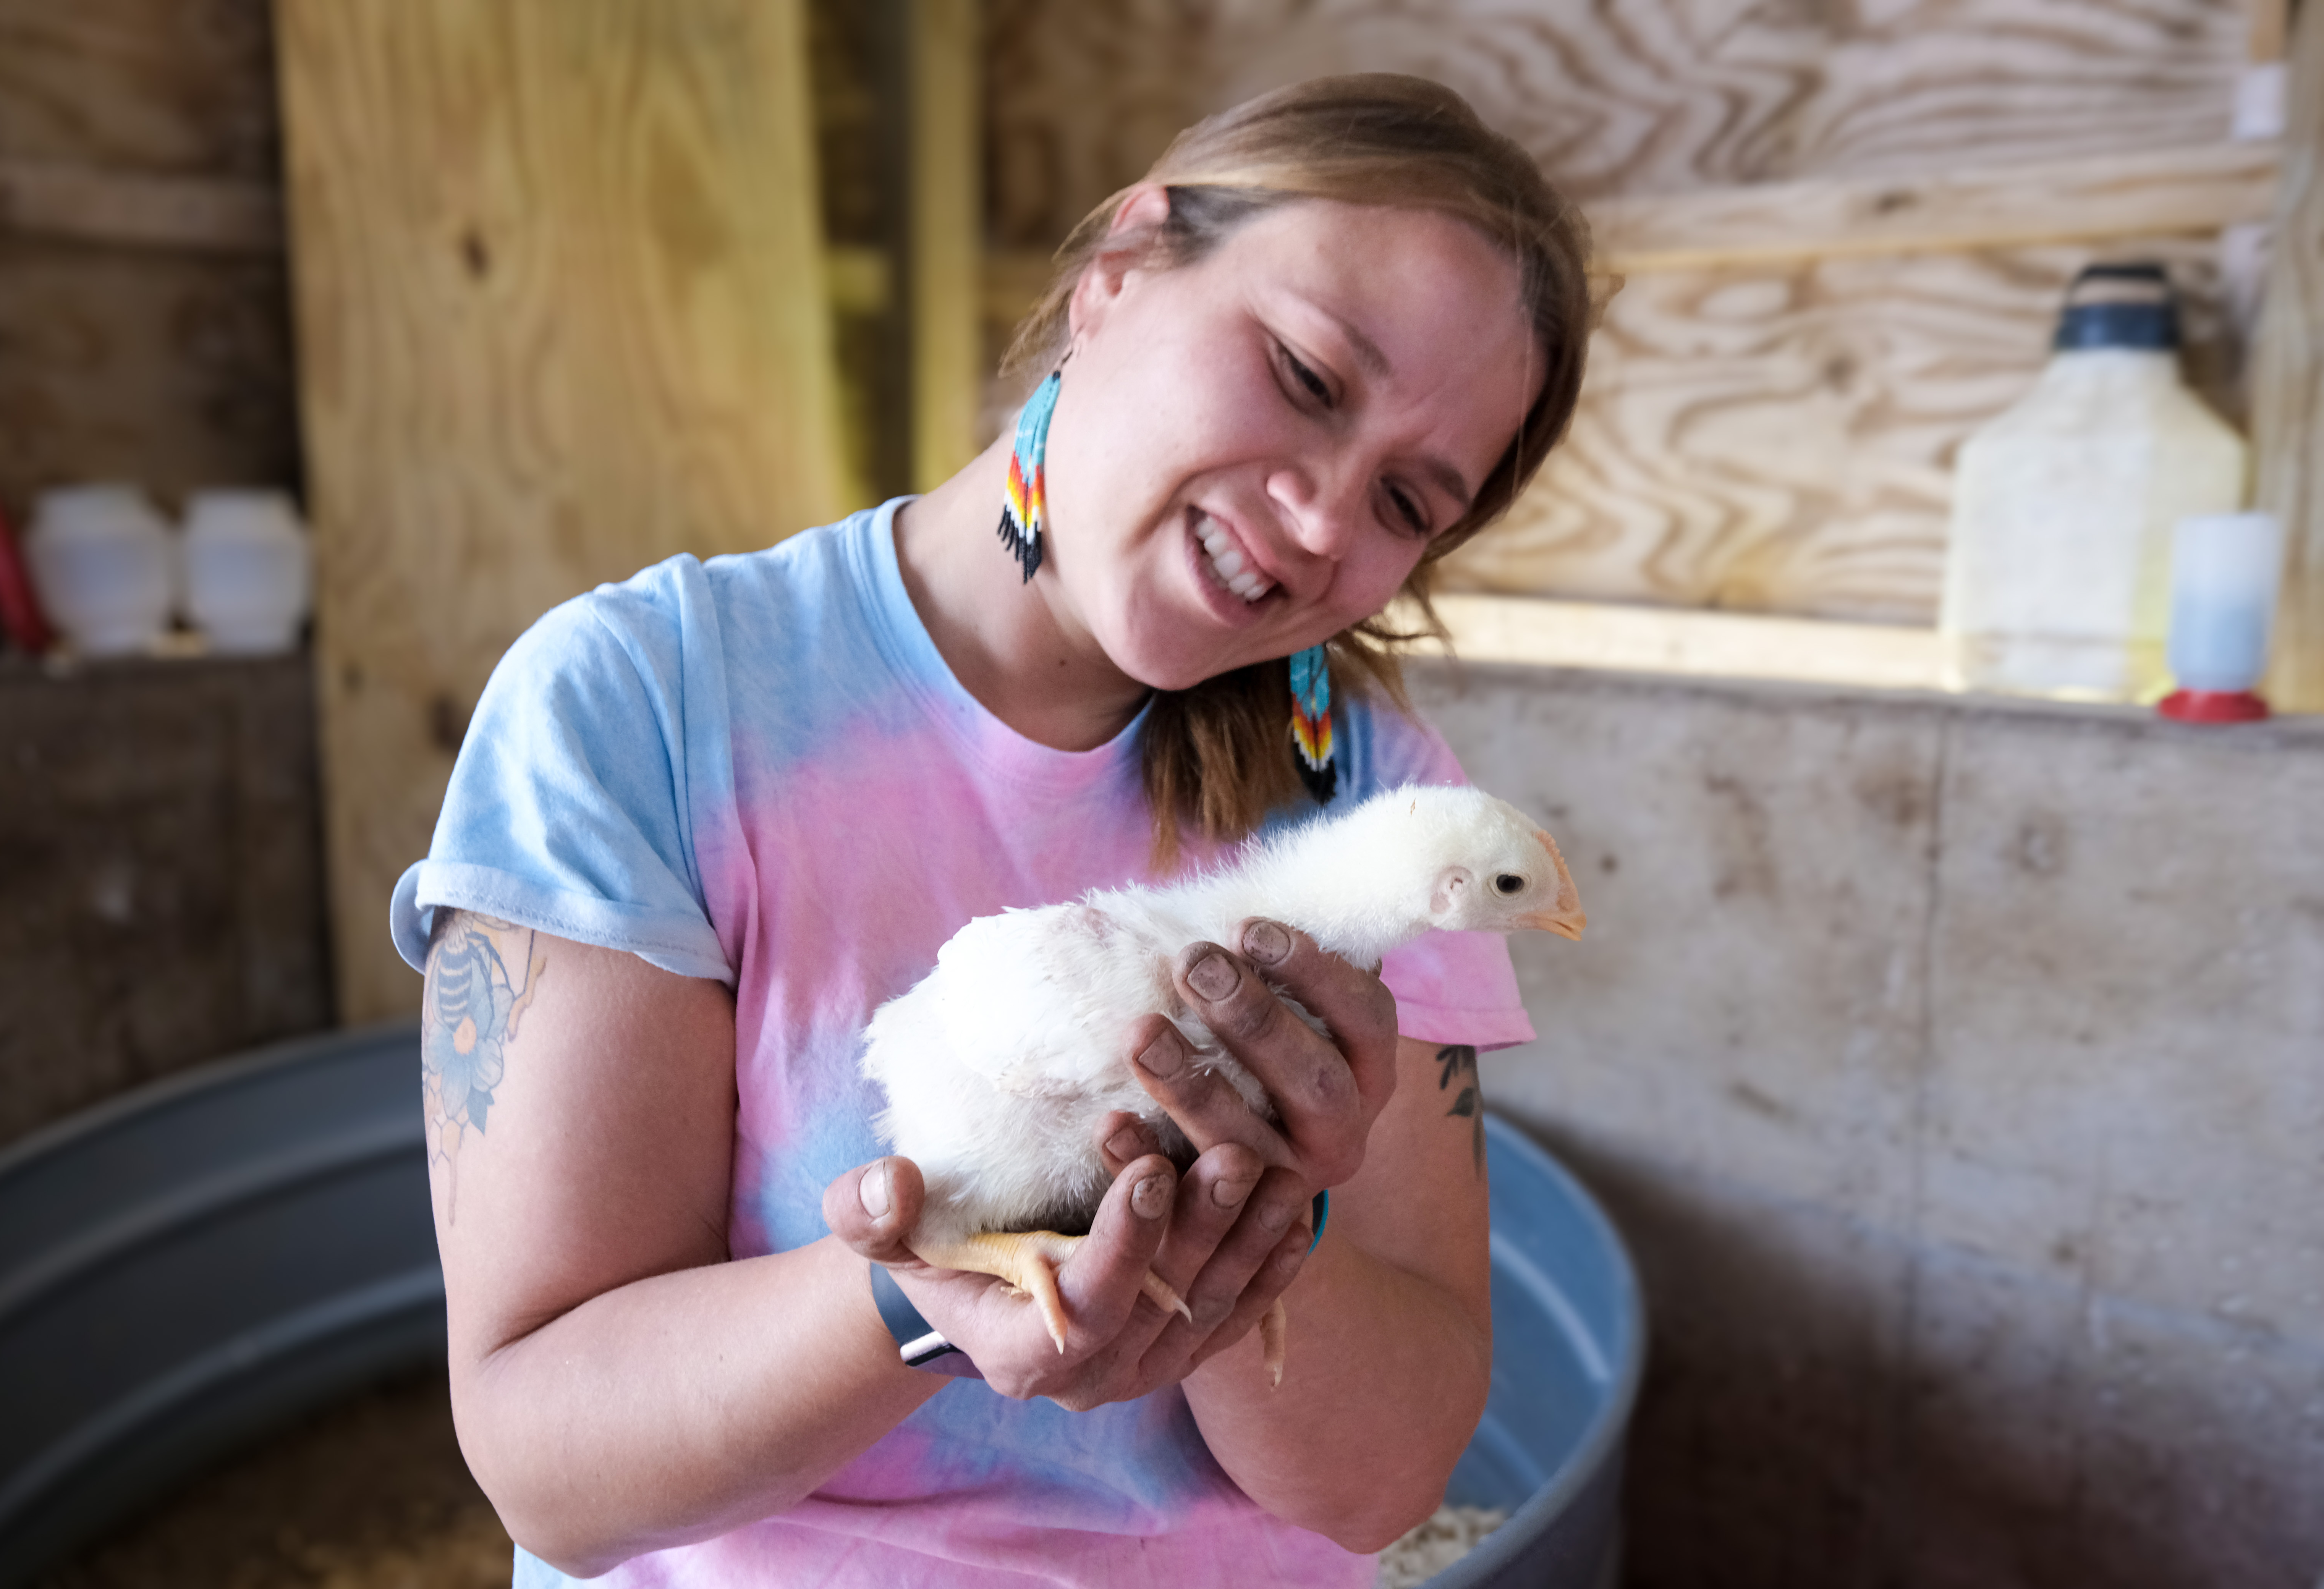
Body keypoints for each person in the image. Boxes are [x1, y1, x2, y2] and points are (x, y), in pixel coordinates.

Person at [394, 73, 1591, 1587]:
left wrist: (1257, 1229)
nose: (1315, 520)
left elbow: (1382, 1482)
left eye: (1409, 501)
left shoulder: (1372, 803)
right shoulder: (650, 701)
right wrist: (924, 1290)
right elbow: (552, 1465)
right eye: (1302, 375)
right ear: (1123, 269)